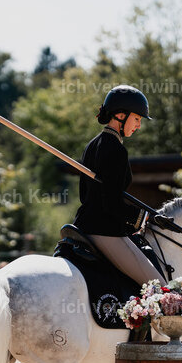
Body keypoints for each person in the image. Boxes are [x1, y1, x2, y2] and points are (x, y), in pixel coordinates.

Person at [72, 85, 160, 287]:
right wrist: (142, 218)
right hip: (103, 230)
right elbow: (111, 204)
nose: (138, 125)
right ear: (121, 115)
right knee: (157, 286)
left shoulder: (93, 144)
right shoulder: (116, 150)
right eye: (137, 119)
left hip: (83, 224)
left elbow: (85, 196)